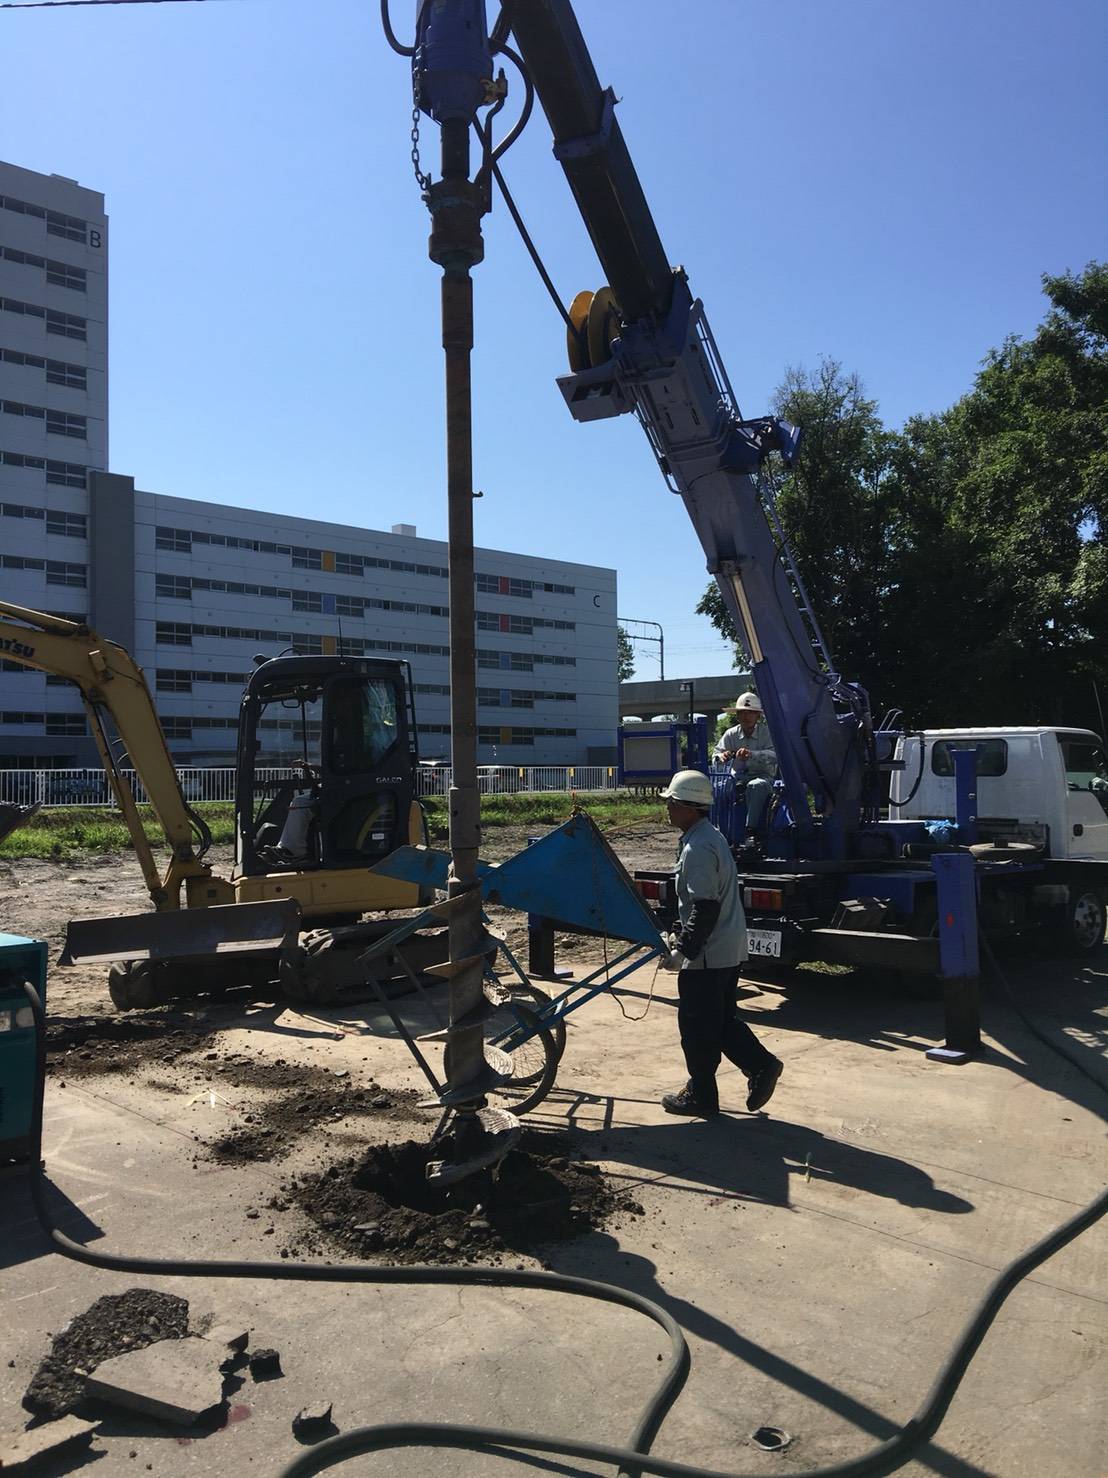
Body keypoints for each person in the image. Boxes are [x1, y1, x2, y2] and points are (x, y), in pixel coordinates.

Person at [657, 769, 783, 1118]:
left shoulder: (698, 847)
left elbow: (705, 907)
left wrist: (684, 951)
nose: (668, 808)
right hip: (726, 948)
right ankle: (761, 1066)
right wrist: (679, 933)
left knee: (697, 1026)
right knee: (720, 1021)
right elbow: (698, 904)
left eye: (672, 803)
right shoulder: (707, 836)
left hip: (708, 955)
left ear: (689, 807)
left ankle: (702, 1096)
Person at [714, 691, 776, 835]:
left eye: (750, 713)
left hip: (764, 776)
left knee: (756, 786)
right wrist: (722, 756)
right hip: (736, 778)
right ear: (737, 716)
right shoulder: (730, 734)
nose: (746, 716)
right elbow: (715, 755)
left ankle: (751, 830)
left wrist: (752, 755)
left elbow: (775, 756)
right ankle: (720, 829)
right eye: (742, 713)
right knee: (718, 789)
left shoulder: (767, 733)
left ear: (758, 716)